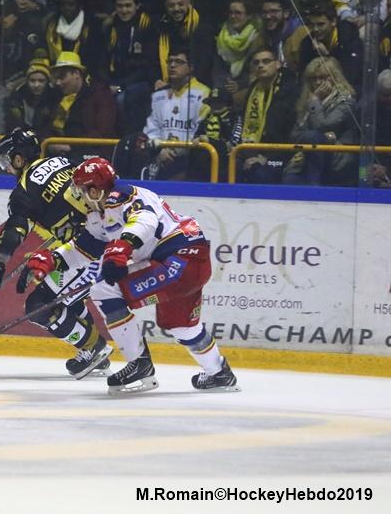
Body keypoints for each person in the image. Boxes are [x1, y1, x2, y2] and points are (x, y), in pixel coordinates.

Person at [18, 157, 239, 394]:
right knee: (181, 325)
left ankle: (139, 364)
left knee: (103, 289)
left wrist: (123, 245)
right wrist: (53, 259)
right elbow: (84, 248)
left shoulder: (121, 197)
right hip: (191, 259)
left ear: (94, 191)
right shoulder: (99, 214)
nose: (79, 197)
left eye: (81, 191)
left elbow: (145, 220)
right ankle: (219, 373)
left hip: (178, 259)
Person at [0, 127, 113, 379]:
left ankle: (93, 347)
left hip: (89, 251)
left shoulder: (24, 191)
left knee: (38, 306)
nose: (6, 169)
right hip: (110, 238)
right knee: (67, 298)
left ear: (18, 159)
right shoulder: (63, 161)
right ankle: (93, 348)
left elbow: (15, 230)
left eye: (6, 161)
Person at [124, 45, 210, 181]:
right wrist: (159, 150)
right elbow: (151, 129)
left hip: (189, 159)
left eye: (179, 62)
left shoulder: (203, 93)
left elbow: (200, 130)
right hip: (160, 156)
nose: (172, 65)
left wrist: (176, 151)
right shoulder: (158, 95)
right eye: (170, 61)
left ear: (191, 67)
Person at [285, 56, 358, 186]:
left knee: (314, 136)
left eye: (323, 77)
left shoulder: (346, 101)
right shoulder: (306, 102)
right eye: (314, 79)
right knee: (290, 177)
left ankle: (314, 187)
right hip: (307, 157)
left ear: (335, 78)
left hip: (337, 159)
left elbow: (323, 126)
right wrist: (325, 137)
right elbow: (294, 135)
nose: (318, 82)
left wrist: (315, 102)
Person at [102, 0, 159, 136]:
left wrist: (121, 86)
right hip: (114, 80)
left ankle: (130, 140)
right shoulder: (110, 27)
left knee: (122, 99)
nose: (124, 10)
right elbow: (103, 61)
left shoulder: (146, 26)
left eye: (128, 6)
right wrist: (108, 84)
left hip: (139, 81)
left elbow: (148, 65)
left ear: (137, 6)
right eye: (120, 6)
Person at [237, 47, 298, 184]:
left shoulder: (290, 90)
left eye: (266, 61)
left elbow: (291, 133)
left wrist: (267, 158)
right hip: (253, 151)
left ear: (277, 64)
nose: (260, 65)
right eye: (256, 62)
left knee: (261, 173)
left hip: (281, 154)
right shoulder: (252, 90)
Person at [49, 51, 116, 162]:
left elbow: (103, 131)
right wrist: (50, 142)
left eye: (62, 77)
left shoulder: (100, 94)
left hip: (93, 154)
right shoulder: (57, 97)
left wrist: (72, 145)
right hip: (63, 154)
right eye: (56, 78)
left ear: (76, 74)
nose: (58, 83)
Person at [155, 0, 216, 87]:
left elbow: (204, 65)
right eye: (171, 5)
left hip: (195, 84)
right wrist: (157, 80)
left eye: (180, 4)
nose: (176, 9)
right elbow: (153, 60)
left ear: (189, 3)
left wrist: (180, 84)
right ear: (166, 6)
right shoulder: (161, 28)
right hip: (166, 82)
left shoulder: (202, 28)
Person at [43, 0, 104, 78]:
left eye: (71, 4)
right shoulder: (52, 24)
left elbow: (96, 55)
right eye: (63, 4)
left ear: (79, 5)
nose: (66, 8)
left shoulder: (92, 25)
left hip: (85, 72)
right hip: (56, 71)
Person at [299, 3, 363, 89]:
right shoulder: (307, 43)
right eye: (312, 25)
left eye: (321, 24)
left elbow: (351, 74)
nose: (315, 29)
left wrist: (327, 55)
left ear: (333, 22)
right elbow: (303, 77)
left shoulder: (349, 38)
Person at [3, 55, 61, 136]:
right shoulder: (16, 99)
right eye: (32, 81)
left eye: (41, 81)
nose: (36, 85)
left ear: (47, 82)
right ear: (27, 81)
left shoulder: (54, 100)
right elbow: (11, 125)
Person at [257, 0, 306, 74]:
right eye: (265, 12)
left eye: (274, 11)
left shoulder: (301, 33)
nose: (268, 16)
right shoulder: (262, 36)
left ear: (286, 14)